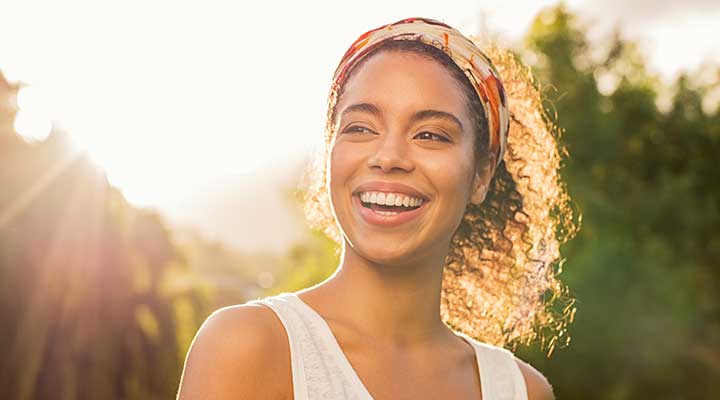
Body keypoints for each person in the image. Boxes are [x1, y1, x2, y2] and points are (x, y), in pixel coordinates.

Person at [177, 17, 577, 400]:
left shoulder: (519, 390)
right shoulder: (248, 347)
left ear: (482, 173)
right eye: (361, 128)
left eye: (430, 135)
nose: (388, 157)